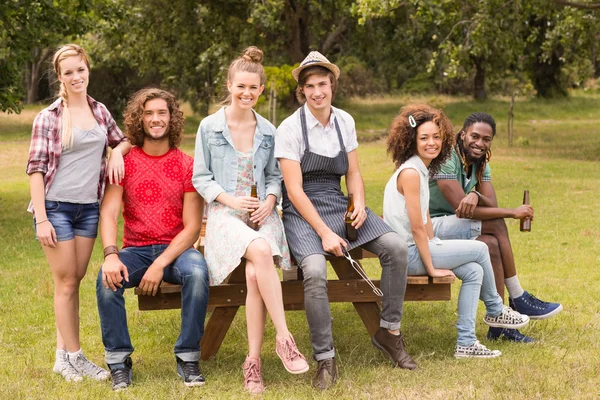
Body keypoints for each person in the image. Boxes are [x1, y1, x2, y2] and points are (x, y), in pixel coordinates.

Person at [275, 51, 416, 390]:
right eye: (309, 86)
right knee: (314, 271)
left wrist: (361, 203)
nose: (317, 92)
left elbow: (353, 173)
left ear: (332, 85)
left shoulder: (345, 121)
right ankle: (325, 358)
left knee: (396, 247)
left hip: (338, 202)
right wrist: (323, 232)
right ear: (302, 91)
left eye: (322, 84)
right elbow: (293, 190)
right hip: (302, 211)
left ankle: (389, 333)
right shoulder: (290, 128)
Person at [193, 46, 308, 394]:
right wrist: (229, 199)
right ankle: (285, 338)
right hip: (225, 213)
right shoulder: (209, 127)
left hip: (261, 212)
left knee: (256, 271)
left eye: (253, 88)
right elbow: (201, 177)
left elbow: (275, 176)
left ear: (261, 90)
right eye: (240, 86)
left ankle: (253, 363)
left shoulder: (269, 131)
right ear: (229, 85)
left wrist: (271, 200)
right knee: (259, 251)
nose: (246, 93)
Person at [383, 105, 530, 358]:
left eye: (437, 137)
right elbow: (416, 227)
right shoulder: (410, 173)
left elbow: (426, 218)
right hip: (408, 254)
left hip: (421, 247)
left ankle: (466, 342)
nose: (432, 143)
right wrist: (431, 266)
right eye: (424, 138)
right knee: (481, 247)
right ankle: (495, 309)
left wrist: (437, 244)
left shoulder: (420, 168)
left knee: (473, 271)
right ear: (411, 141)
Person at [26, 44, 130, 382]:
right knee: (66, 281)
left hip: (88, 209)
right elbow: (36, 170)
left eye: (80, 70)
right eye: (68, 72)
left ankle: (62, 356)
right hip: (55, 207)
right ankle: (75, 356)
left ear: (88, 70)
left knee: (74, 281)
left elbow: (122, 140)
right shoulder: (49, 117)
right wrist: (41, 218)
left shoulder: (99, 111)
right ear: (59, 76)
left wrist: (116, 154)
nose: (76, 77)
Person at [96, 88, 209, 391]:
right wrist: (110, 255)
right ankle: (119, 362)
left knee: (197, 273)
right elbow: (108, 213)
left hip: (177, 251)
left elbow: (192, 226)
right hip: (135, 250)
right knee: (106, 280)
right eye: (148, 113)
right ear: (139, 119)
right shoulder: (125, 162)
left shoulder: (187, 165)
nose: (155, 119)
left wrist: (160, 264)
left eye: (162, 113)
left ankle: (187, 357)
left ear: (171, 118)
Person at [429, 112, 563, 342]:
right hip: (428, 225)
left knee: (491, 243)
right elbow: (461, 209)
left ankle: (500, 326)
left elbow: (491, 205)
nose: (480, 143)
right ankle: (518, 297)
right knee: (496, 223)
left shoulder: (481, 164)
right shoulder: (447, 157)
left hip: (453, 226)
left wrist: (476, 193)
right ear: (463, 135)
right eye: (475, 136)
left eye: (486, 139)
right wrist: (513, 212)